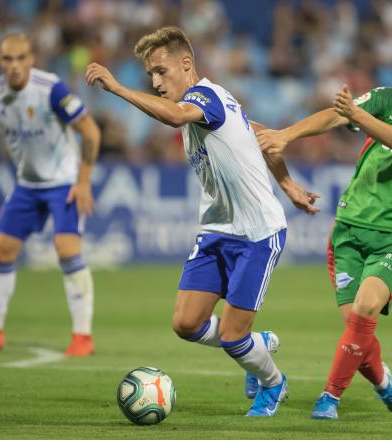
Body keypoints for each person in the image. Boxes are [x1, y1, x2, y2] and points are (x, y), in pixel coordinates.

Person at [85, 26, 318, 417]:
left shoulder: (203, 97)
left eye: (161, 71)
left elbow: (175, 117)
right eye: (150, 76)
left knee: (230, 336)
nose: (156, 82)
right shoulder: (216, 104)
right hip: (215, 231)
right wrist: (290, 184)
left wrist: (118, 88)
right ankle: (255, 345)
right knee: (186, 324)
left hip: (257, 234)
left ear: (186, 64)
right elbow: (258, 135)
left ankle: (273, 383)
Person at [258, 26, 392, 419]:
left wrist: (356, 113)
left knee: (366, 308)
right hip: (351, 229)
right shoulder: (390, 98)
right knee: (356, 327)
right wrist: (287, 134)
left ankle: (329, 398)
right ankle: (385, 385)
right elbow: (336, 117)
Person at [0, 33, 102, 357]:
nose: (14, 66)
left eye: (21, 58)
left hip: (64, 181)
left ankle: (83, 337)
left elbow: (90, 130)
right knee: (2, 251)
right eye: (8, 59)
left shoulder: (51, 89)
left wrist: (83, 182)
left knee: (67, 250)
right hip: (26, 184)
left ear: (32, 59)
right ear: (0, 62)